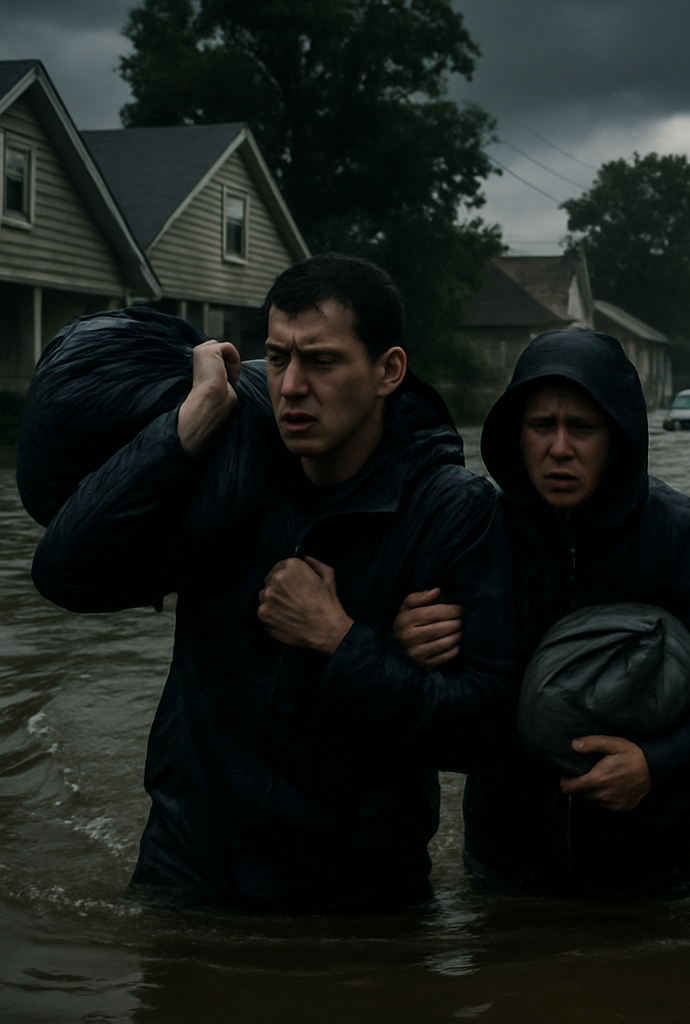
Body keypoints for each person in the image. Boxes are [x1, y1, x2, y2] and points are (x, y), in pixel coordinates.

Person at [30, 254, 515, 913]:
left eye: (321, 361)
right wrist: (190, 421)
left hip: (358, 896)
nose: (290, 385)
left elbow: (483, 731)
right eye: (278, 357)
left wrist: (343, 640)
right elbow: (66, 573)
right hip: (186, 870)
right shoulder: (228, 470)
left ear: (388, 372)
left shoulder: (453, 512)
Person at [394, 328, 690, 896]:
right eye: (541, 427)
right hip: (508, 870)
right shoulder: (476, 534)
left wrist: (658, 767)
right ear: (515, 434)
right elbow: (446, 704)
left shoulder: (679, 535)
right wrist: (405, 646)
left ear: (619, 436)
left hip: (661, 874)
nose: (560, 448)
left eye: (582, 427)